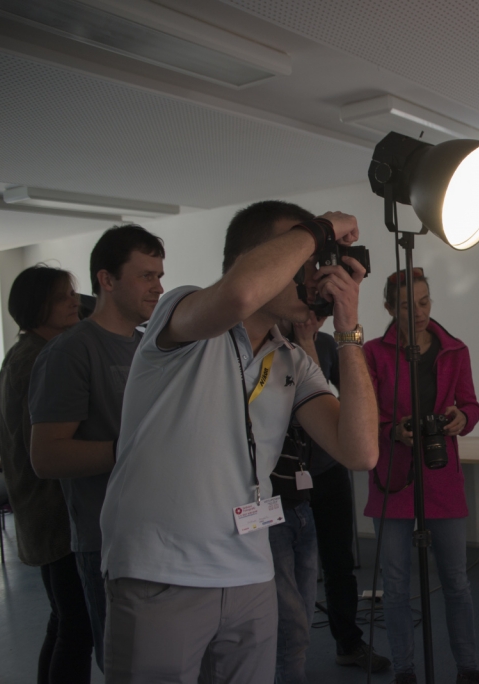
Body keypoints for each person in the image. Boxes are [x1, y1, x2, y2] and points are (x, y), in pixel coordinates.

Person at [98, 200, 378, 684]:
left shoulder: (291, 359)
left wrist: (348, 330)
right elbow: (242, 292)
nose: (314, 277)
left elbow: (360, 451)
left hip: (249, 572)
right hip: (162, 571)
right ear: (254, 258)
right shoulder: (183, 315)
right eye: (303, 260)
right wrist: (320, 228)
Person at [29, 225, 165, 673]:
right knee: (129, 668)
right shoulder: (70, 352)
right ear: (107, 280)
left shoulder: (148, 346)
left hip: (163, 535)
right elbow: (47, 456)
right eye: (145, 276)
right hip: (109, 544)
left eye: (159, 276)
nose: (158, 287)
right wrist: (134, 449)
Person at [362, 268, 479, 684]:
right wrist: (392, 431)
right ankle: (405, 670)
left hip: (441, 475)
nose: (417, 312)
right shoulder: (373, 354)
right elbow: (364, 417)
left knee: (456, 581)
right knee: (395, 585)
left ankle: (467, 667)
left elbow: (471, 406)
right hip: (392, 477)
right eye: (405, 305)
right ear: (388, 308)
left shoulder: (456, 350)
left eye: (424, 302)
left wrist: (462, 417)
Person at [0, 266, 92, 683]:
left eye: (72, 293)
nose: (74, 302)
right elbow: (51, 448)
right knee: (77, 626)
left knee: (65, 622)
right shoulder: (41, 358)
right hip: (54, 509)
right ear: (38, 306)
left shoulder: (28, 352)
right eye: (62, 296)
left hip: (41, 508)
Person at [295, 316, 391, 673]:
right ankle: (288, 658)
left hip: (327, 469)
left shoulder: (324, 344)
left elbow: (339, 402)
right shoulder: (271, 344)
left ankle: (348, 643)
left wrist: (312, 342)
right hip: (283, 478)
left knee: (339, 563)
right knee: (292, 570)